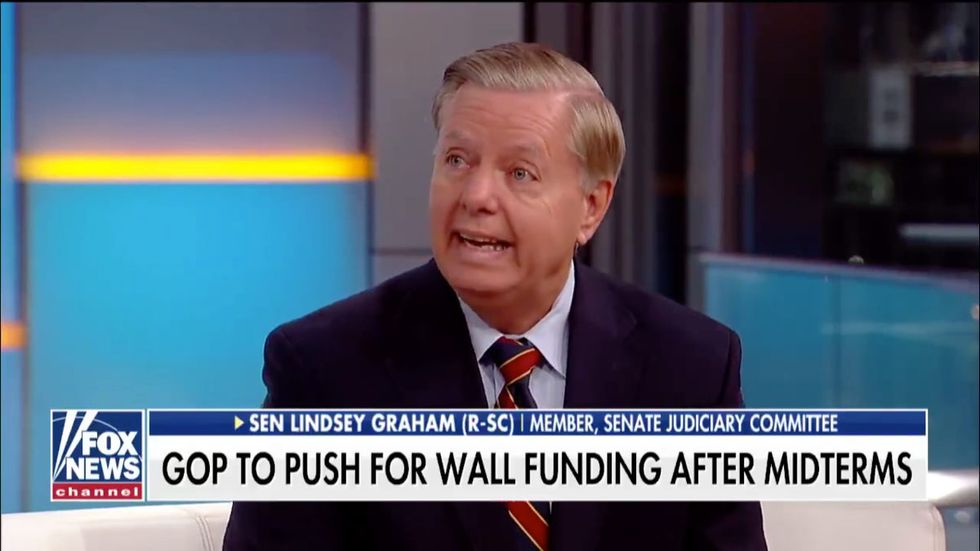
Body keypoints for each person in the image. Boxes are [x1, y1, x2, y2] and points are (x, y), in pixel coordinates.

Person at [223, 42, 767, 551]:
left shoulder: (692, 368)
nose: (477, 196)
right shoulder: (323, 369)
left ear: (591, 207)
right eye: (457, 161)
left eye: (520, 173)